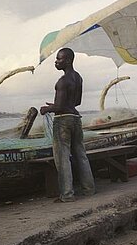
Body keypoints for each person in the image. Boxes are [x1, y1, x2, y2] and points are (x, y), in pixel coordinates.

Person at [40, 48, 95, 202]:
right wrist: (58, 104)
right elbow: (76, 102)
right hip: (76, 118)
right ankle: (89, 189)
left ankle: (67, 194)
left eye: (59, 59)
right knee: (81, 155)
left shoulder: (62, 81)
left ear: (68, 60)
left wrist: (47, 109)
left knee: (62, 158)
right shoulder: (78, 78)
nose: (56, 62)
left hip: (63, 120)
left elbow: (59, 107)